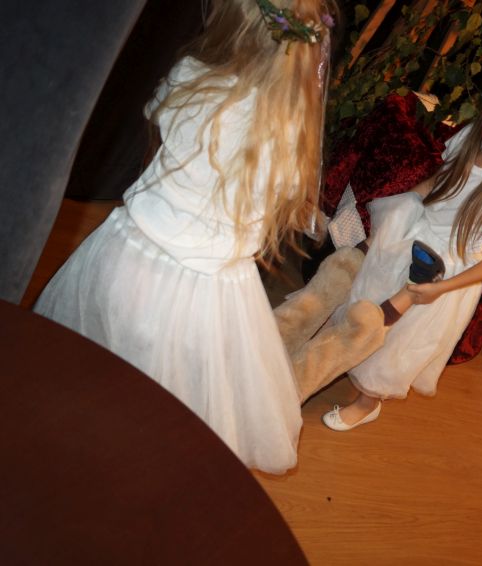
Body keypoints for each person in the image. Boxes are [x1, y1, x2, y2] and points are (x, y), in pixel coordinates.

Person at [34, 0, 335, 473]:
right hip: (209, 292)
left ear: (229, 23)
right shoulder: (290, 124)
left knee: (96, 358)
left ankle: (78, 446)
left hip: (127, 255)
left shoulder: (191, 74)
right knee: (172, 397)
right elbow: (282, 205)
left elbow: (159, 134)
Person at [319, 71, 482, 430]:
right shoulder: (467, 139)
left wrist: (440, 288)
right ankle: (331, 354)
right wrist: (397, 214)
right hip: (415, 237)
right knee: (365, 301)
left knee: (396, 341)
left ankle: (367, 402)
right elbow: (437, 182)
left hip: (444, 273)